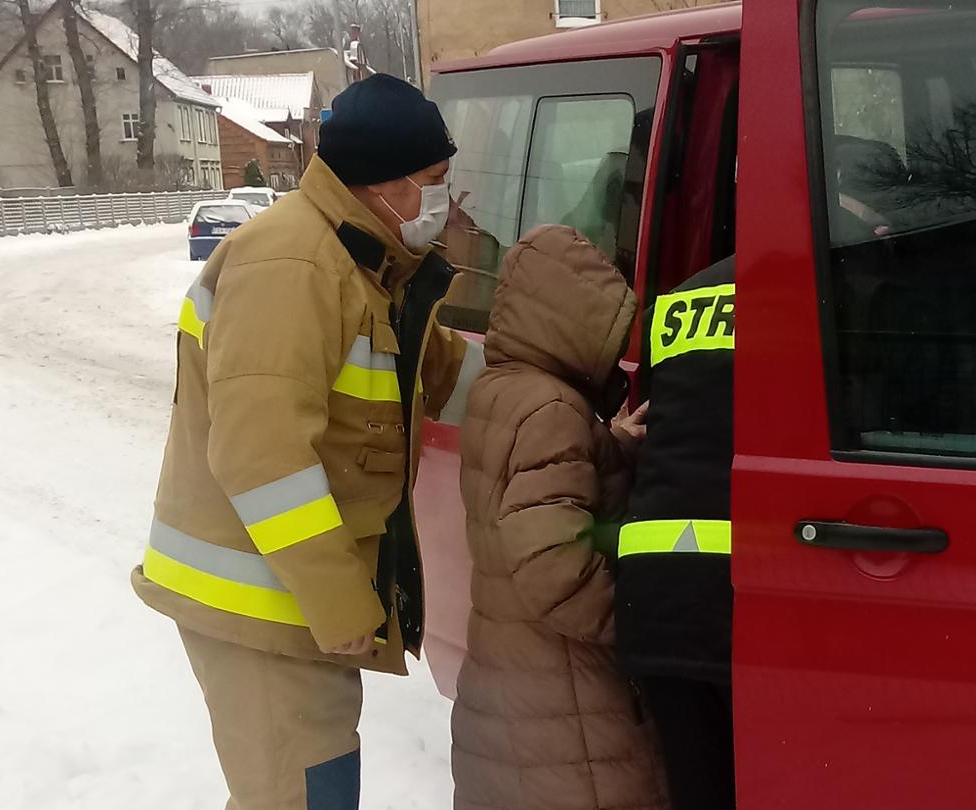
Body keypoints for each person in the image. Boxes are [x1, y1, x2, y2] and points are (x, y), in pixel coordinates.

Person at [131, 73, 478, 810]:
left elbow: (436, 368)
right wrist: (336, 598)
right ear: (384, 182)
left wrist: (572, 396)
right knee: (303, 797)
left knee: (304, 790)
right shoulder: (291, 265)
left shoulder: (363, 259)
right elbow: (260, 455)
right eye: (436, 182)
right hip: (258, 600)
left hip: (289, 597)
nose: (450, 201)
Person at [450, 224, 666, 810]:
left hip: (508, 695)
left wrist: (606, 444)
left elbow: (525, 492)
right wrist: (638, 623)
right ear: (575, 323)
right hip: (568, 715)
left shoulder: (503, 389)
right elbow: (551, 562)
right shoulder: (552, 409)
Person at [616, 254, 738, 809]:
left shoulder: (682, 298)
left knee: (697, 785)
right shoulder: (819, 285)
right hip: (738, 600)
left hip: (658, 593)